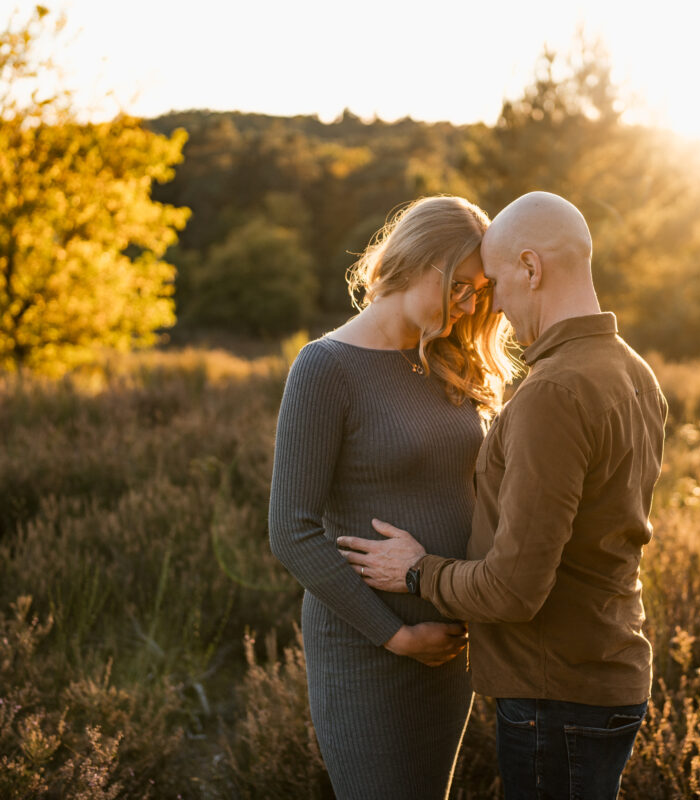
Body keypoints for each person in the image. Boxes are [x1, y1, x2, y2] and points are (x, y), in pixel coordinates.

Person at [338, 191, 668, 799]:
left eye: (493, 284)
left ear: (531, 268)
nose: (488, 308)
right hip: (604, 676)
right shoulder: (632, 371)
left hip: (556, 693)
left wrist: (418, 573)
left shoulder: (554, 392)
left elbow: (515, 589)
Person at [268, 195, 516, 799]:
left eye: (478, 292)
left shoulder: (448, 360)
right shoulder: (325, 367)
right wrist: (396, 636)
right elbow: (291, 532)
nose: (468, 304)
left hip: (449, 647)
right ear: (417, 260)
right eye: (459, 285)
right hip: (367, 652)